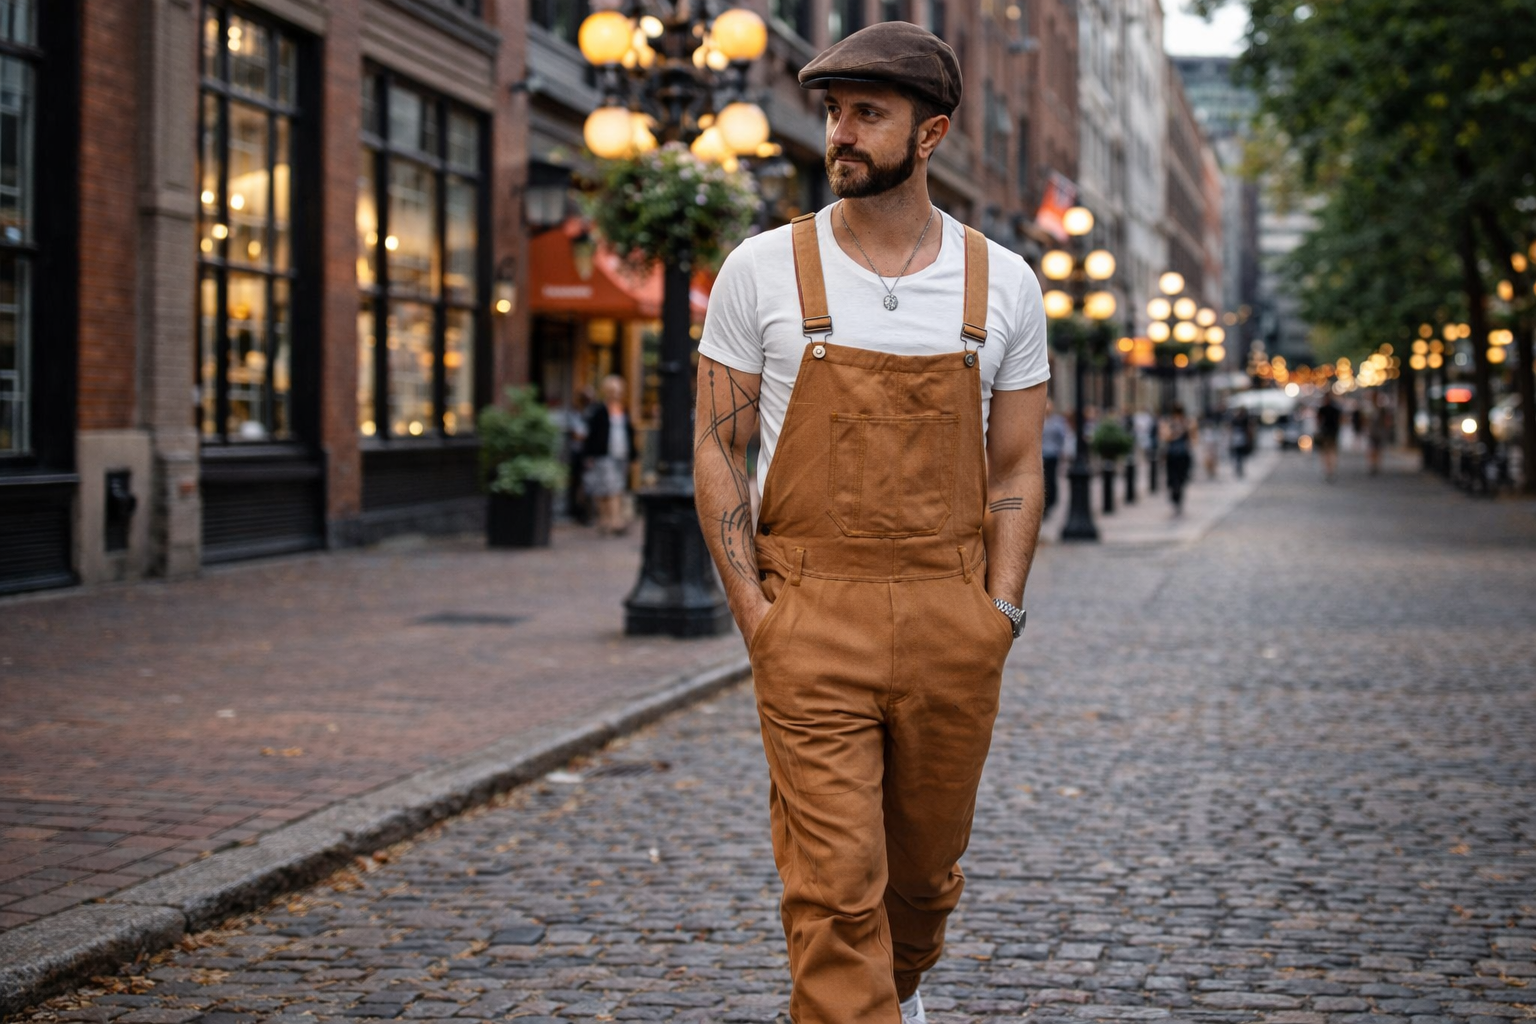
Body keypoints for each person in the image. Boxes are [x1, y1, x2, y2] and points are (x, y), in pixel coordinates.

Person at [692, 22, 1049, 1024]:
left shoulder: (1005, 283)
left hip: (951, 615)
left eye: (867, 114)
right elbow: (716, 449)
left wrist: (1000, 612)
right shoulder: (761, 270)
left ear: (930, 134)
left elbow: (1018, 463)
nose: (839, 134)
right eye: (833, 112)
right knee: (834, 889)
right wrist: (759, 618)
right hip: (811, 616)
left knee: (922, 886)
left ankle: (893, 991)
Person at [581, 375, 637, 535]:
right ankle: (611, 520)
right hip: (603, 454)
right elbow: (592, 435)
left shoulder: (623, 410)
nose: (616, 394)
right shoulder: (599, 411)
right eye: (613, 391)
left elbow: (629, 433)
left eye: (619, 391)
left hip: (621, 454)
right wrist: (589, 455)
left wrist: (633, 454)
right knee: (607, 488)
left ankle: (611, 520)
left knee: (616, 487)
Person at [566, 386, 595, 525]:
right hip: (577, 453)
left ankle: (586, 513)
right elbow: (576, 435)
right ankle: (574, 510)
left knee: (587, 483)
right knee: (576, 482)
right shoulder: (575, 414)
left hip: (587, 453)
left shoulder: (591, 414)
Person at [1163, 404, 1195, 516]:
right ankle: (1177, 497)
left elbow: (1165, 437)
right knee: (1179, 478)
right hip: (1181, 454)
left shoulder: (1171, 422)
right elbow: (1193, 439)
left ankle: (1176, 497)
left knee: (1176, 478)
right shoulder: (1187, 422)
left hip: (1174, 454)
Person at [1041, 398, 1069, 517]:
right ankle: (1043, 504)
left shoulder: (1057, 421)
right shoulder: (1038, 420)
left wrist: (1061, 450)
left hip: (1052, 454)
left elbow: (1062, 437)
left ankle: (1051, 502)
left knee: (1051, 479)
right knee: (1042, 480)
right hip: (1040, 455)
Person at [1315, 391, 1342, 481]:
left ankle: (1328, 469)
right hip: (1332, 432)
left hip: (1326, 432)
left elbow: (1318, 421)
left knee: (1327, 452)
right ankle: (1330, 469)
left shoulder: (1322, 409)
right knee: (1331, 451)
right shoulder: (1336, 409)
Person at [1366, 398, 1392, 475]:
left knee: (1377, 450)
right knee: (1373, 450)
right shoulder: (1371, 410)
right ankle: (1373, 464)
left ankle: (1376, 464)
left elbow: (1386, 422)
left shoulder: (1382, 412)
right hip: (1373, 433)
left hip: (1379, 433)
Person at [1229, 405, 1254, 480]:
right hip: (1238, 439)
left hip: (1241, 439)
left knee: (1240, 455)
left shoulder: (1243, 419)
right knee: (1238, 455)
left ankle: (1239, 468)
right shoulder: (1236, 419)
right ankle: (1238, 468)